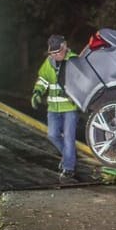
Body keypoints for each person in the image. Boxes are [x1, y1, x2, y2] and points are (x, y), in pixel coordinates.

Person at [32, 34, 79, 180]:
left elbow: (82, 82)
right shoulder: (49, 62)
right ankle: (68, 157)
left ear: (64, 46)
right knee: (52, 135)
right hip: (53, 107)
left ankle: (69, 168)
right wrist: (37, 92)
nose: (54, 55)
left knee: (69, 138)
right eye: (52, 52)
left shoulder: (74, 60)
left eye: (57, 52)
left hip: (70, 107)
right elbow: (43, 79)